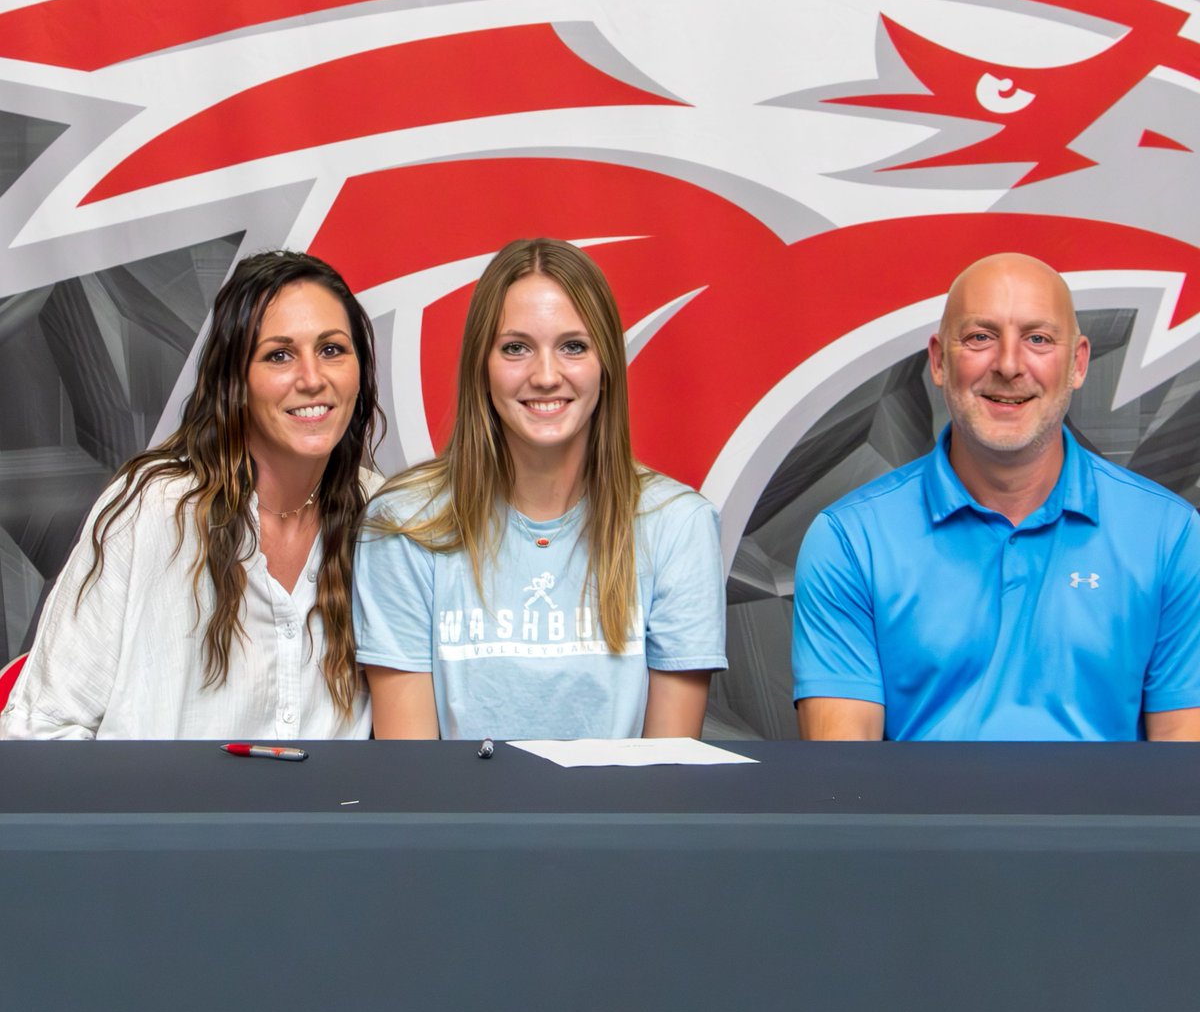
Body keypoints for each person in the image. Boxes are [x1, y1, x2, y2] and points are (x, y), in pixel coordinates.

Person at [792, 252, 1200, 741]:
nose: (1008, 365)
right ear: (939, 361)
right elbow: (843, 772)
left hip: (1112, 801)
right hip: (915, 800)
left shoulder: (1171, 536)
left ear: (1078, 363)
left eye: (1038, 339)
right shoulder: (850, 540)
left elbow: (1183, 765)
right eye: (980, 337)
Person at [353, 237, 726, 739]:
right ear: (481, 366)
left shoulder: (679, 526)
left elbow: (667, 769)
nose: (546, 376)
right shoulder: (404, 524)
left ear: (606, 365)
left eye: (573, 346)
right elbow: (414, 769)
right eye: (516, 348)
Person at [0, 250, 382, 739]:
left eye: (331, 349)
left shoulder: (383, 517)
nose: (312, 378)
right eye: (279, 355)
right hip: (148, 793)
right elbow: (40, 730)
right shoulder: (153, 509)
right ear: (234, 380)